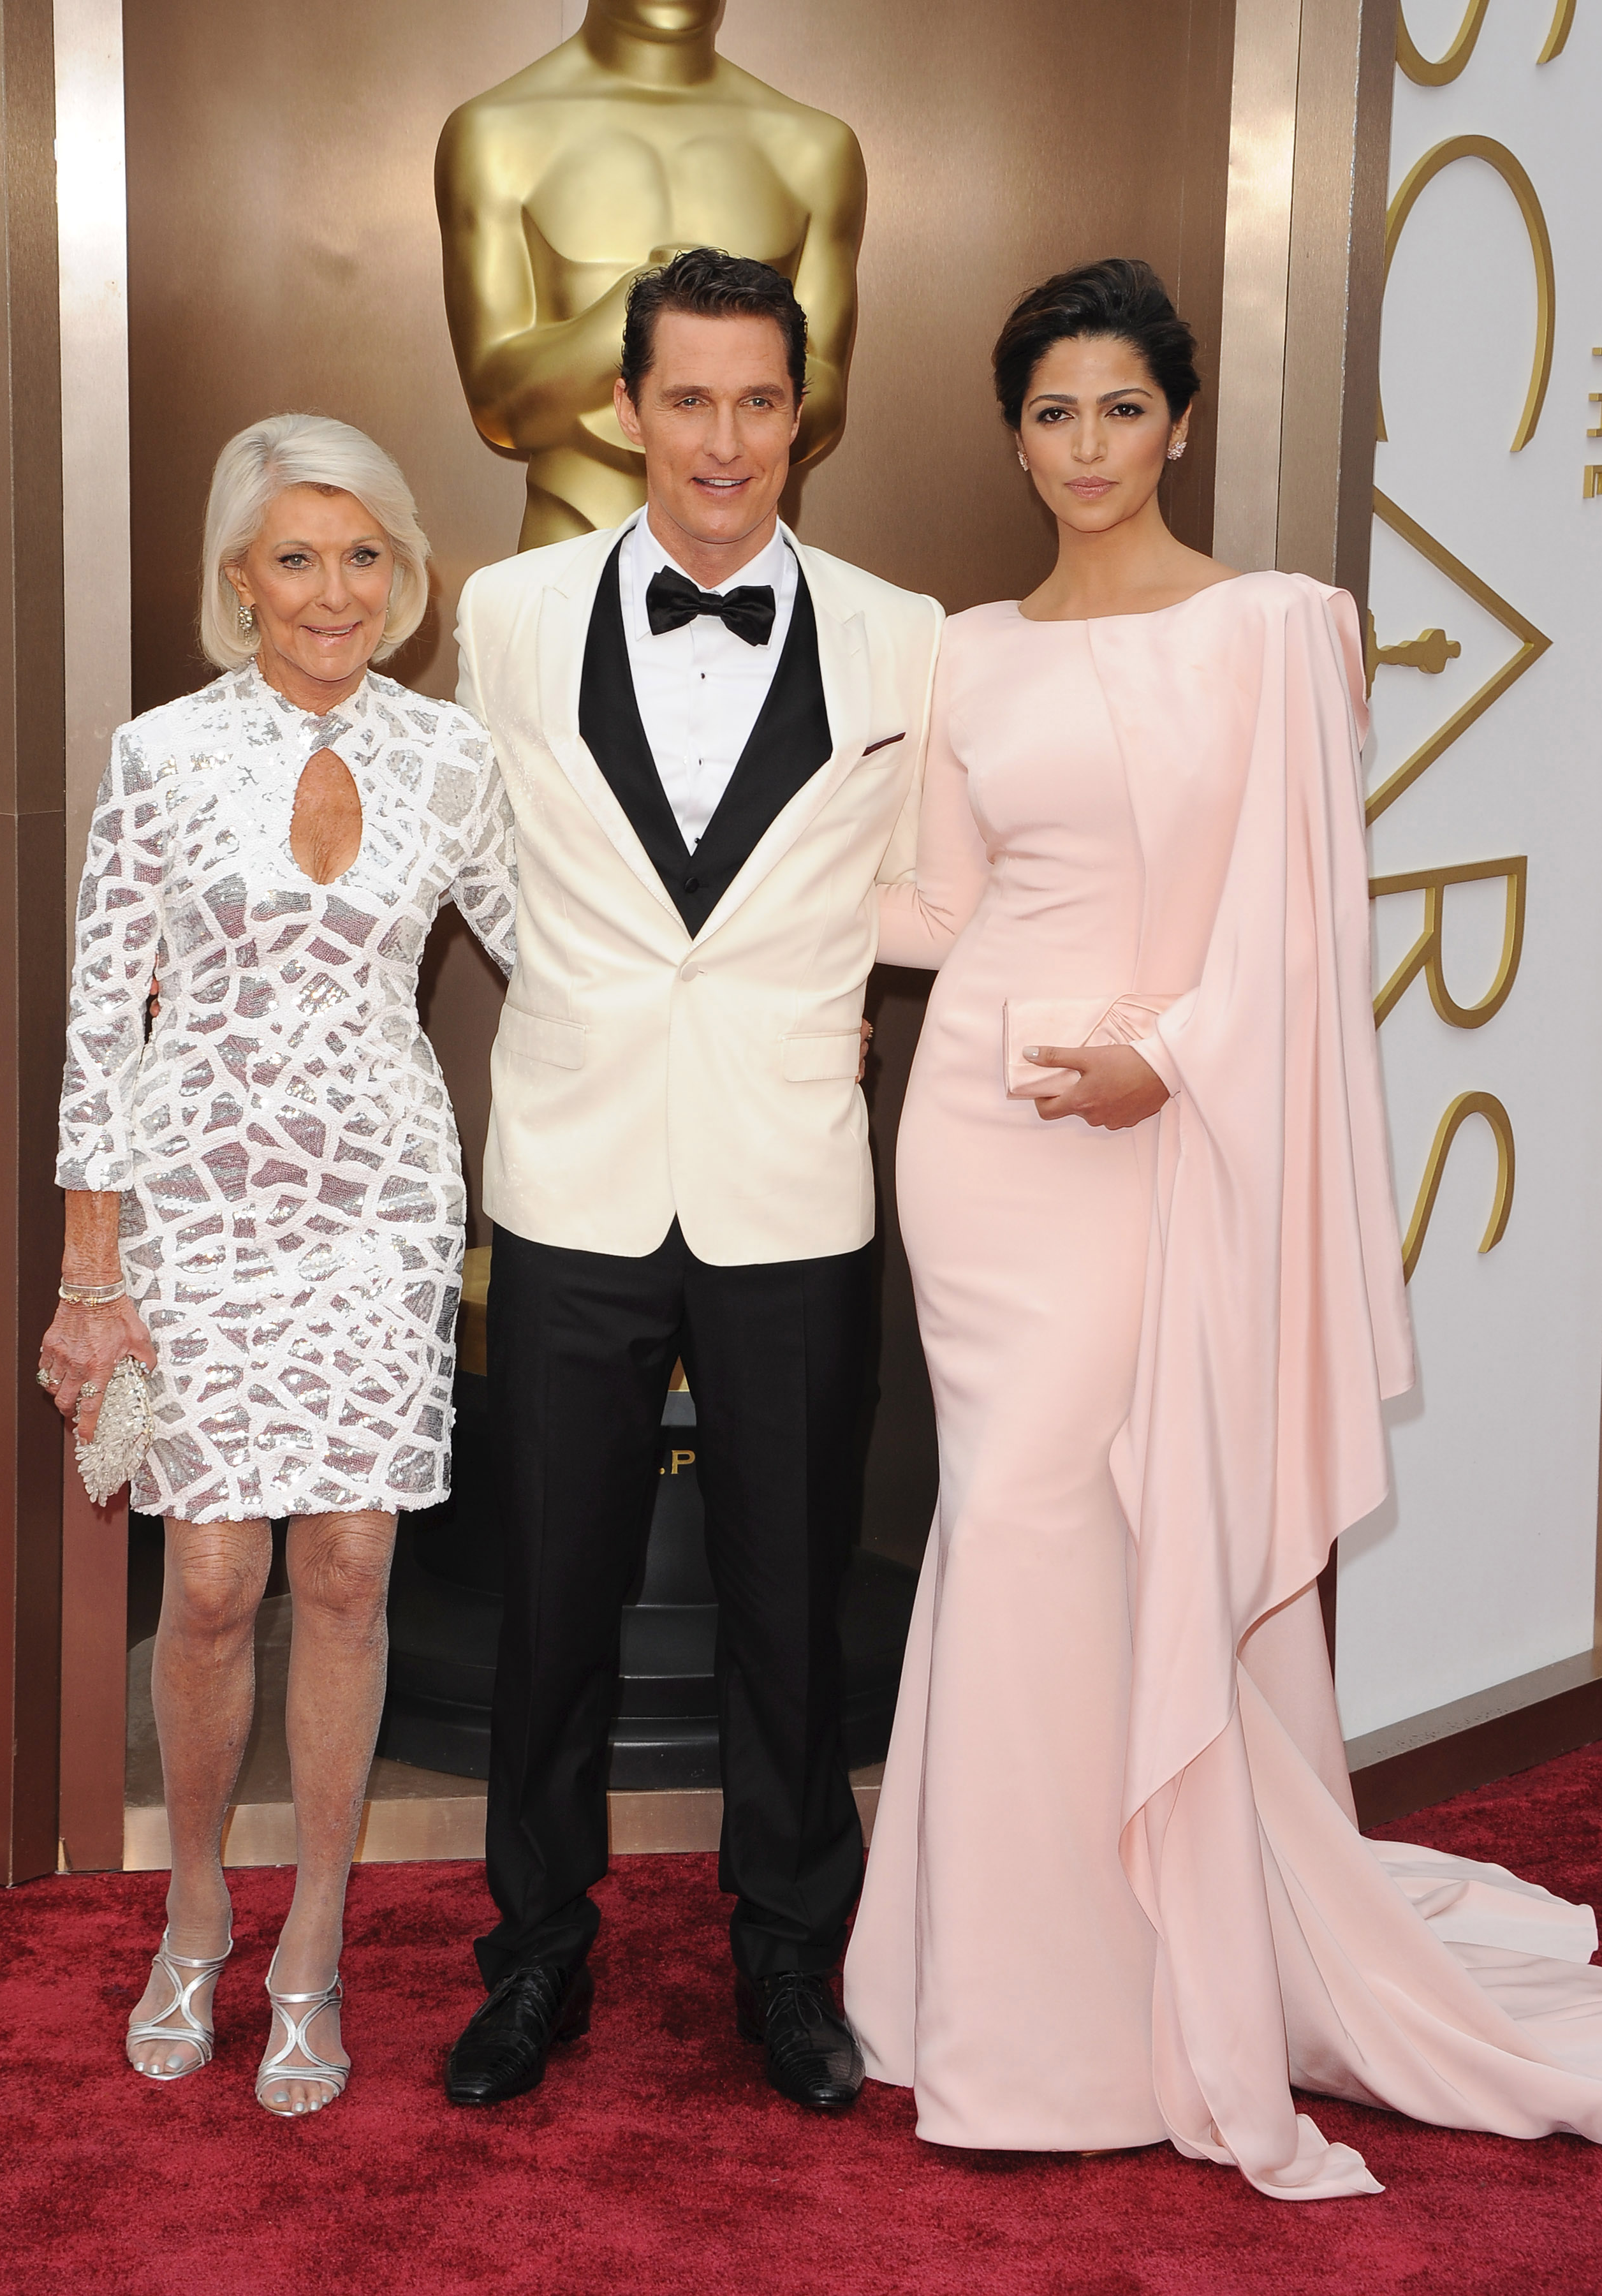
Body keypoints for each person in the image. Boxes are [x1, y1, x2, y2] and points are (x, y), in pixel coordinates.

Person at [842, 258, 1602, 2198]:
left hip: (1162, 1128)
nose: (1083, 447)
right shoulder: (966, 652)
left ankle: (1111, 1997)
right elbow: (933, 902)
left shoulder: (1277, 629)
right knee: (1011, 1519)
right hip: (984, 1143)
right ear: (1011, 437)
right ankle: (997, 2001)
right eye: (1048, 413)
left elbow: (1295, 926)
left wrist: (1162, 1056)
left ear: (1177, 419)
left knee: (1086, 1530)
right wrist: (757, 920)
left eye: (1116, 407)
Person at [441, 249, 942, 2110]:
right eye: (688, 398)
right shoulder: (499, 616)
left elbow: (945, 887)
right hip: (569, 1172)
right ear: (625, 410)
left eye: (758, 401)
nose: (724, 438)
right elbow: (463, 857)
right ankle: (535, 1955)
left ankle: (789, 1966)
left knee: (788, 1602)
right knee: (552, 1591)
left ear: (802, 414)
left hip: (793, 1177)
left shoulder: (912, 636)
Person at [42, 413, 516, 2116]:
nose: (333, 590)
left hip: (380, 1207)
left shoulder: (457, 758)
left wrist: (761, 1011)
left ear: (406, 580)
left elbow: (567, 959)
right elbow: (104, 1017)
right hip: (200, 1208)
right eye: (296, 558)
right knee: (216, 1583)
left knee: (349, 1573)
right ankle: (192, 1916)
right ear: (238, 582)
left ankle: (311, 1939)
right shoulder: (162, 754)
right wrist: (94, 1276)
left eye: (365, 555)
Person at [437, 0, 864, 547]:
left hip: (749, 554)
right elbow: (499, 406)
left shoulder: (816, 149)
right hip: (571, 541)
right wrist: (658, 294)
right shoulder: (493, 136)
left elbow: (820, 394)